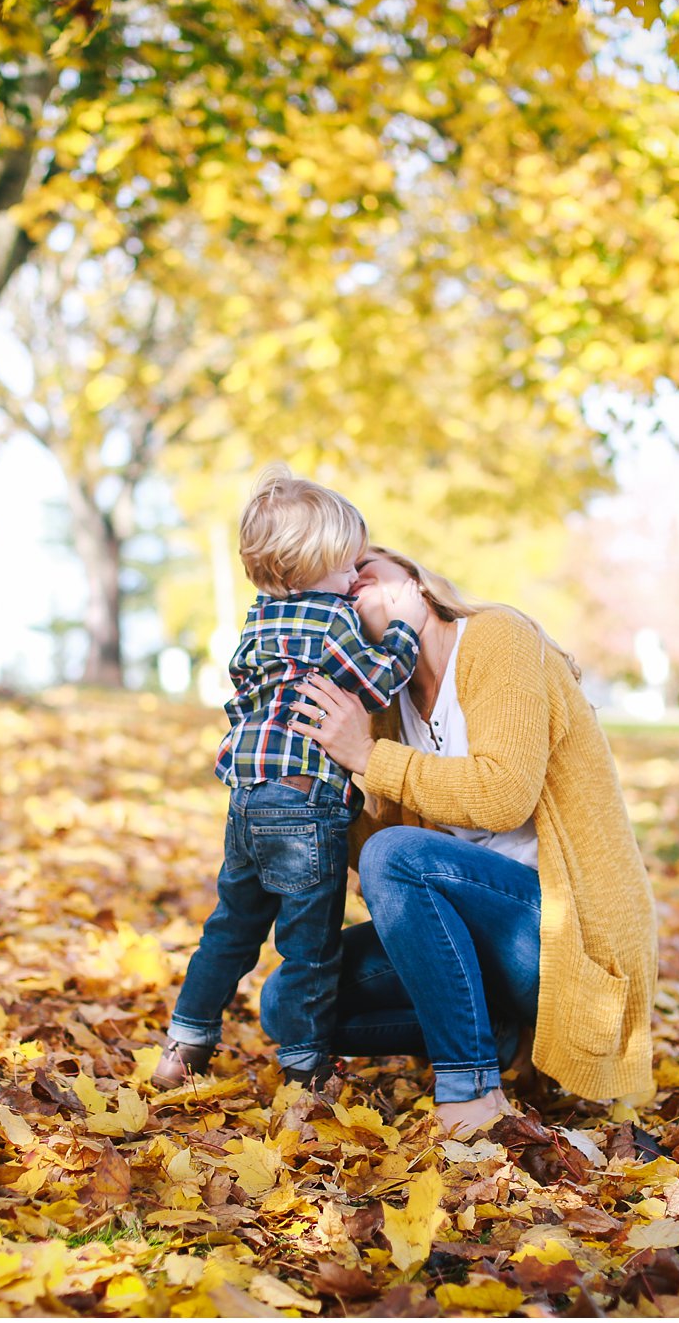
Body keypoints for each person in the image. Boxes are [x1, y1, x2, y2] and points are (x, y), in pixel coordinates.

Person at [285, 545, 658, 1136]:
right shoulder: (381, 706)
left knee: (397, 855)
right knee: (287, 1003)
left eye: (367, 569)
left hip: (566, 935)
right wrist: (319, 778)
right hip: (472, 935)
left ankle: (472, 1086)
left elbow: (504, 794)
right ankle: (503, 1034)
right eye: (338, 587)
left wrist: (367, 756)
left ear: (417, 583)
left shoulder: (495, 638)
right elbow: (370, 863)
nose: (349, 584)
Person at [153, 468, 425, 1092]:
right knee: (310, 943)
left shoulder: (256, 621)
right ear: (314, 563)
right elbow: (378, 682)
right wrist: (405, 626)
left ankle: (185, 1040)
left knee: (231, 927)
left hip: (247, 801)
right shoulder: (331, 621)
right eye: (347, 563)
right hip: (303, 803)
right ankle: (304, 1064)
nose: (356, 575)